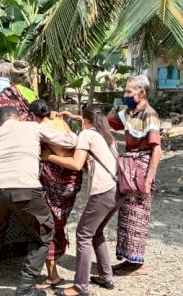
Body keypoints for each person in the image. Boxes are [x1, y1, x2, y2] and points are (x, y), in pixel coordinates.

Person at [0, 106, 78, 296]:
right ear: (19, 117)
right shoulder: (31, 127)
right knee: (44, 233)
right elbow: (69, 140)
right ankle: (25, 287)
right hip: (24, 187)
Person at [44, 106, 124, 296]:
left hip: (103, 191)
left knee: (83, 234)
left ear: (85, 121)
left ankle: (80, 286)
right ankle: (106, 276)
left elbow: (76, 164)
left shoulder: (86, 135)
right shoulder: (106, 135)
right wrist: (75, 116)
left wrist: (50, 156)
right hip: (118, 189)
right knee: (96, 233)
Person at [106, 75, 163, 277]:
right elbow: (109, 122)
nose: (126, 95)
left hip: (141, 169)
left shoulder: (150, 115)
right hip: (131, 168)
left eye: (129, 92)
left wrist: (148, 181)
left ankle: (136, 263)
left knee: (138, 215)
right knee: (127, 215)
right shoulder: (129, 112)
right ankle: (130, 259)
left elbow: (156, 150)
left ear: (142, 92)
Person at [28, 100, 82, 291]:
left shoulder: (38, 129)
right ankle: (53, 272)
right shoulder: (61, 123)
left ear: (33, 115)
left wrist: (47, 157)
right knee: (58, 223)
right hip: (72, 182)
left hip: (54, 181)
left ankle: (53, 274)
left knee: (47, 225)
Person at [0, 60, 37, 141]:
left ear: (10, 76)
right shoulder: (32, 94)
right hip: (27, 132)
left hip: (4, 135)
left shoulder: (5, 93)